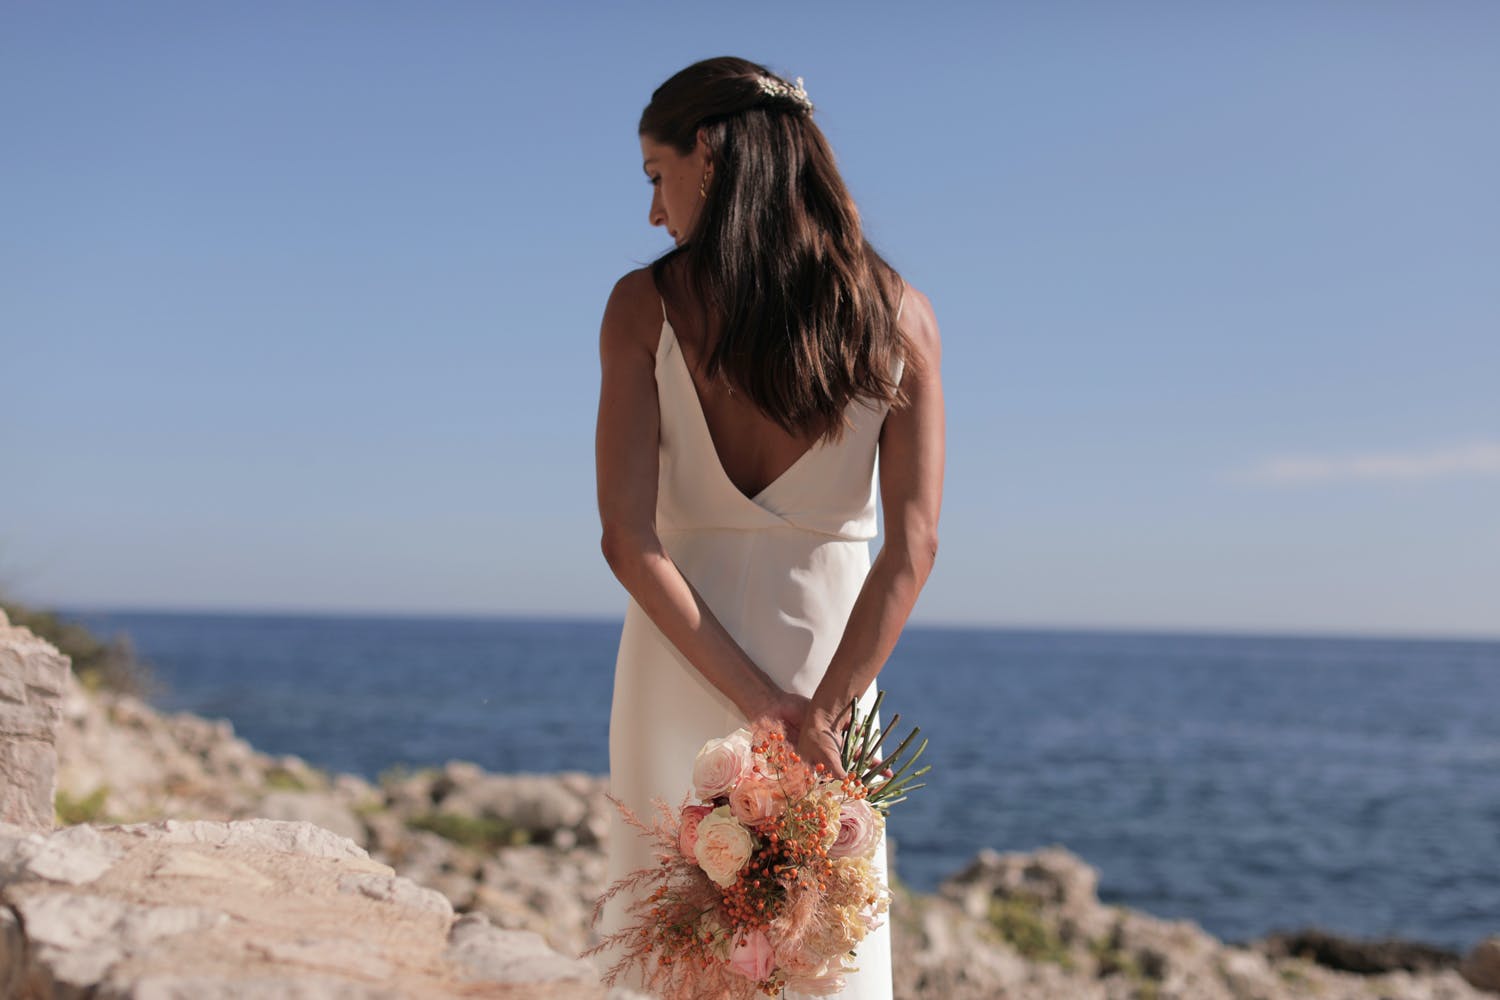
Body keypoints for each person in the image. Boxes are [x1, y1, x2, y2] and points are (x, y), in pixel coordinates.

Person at [594, 56, 944, 999]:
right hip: (829, 667)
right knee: (819, 950)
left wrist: (757, 707)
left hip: (680, 658)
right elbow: (912, 549)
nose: (654, 212)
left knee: (667, 949)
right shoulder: (900, 314)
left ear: (706, 153)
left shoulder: (643, 306)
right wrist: (814, 715)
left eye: (655, 176)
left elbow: (628, 539)